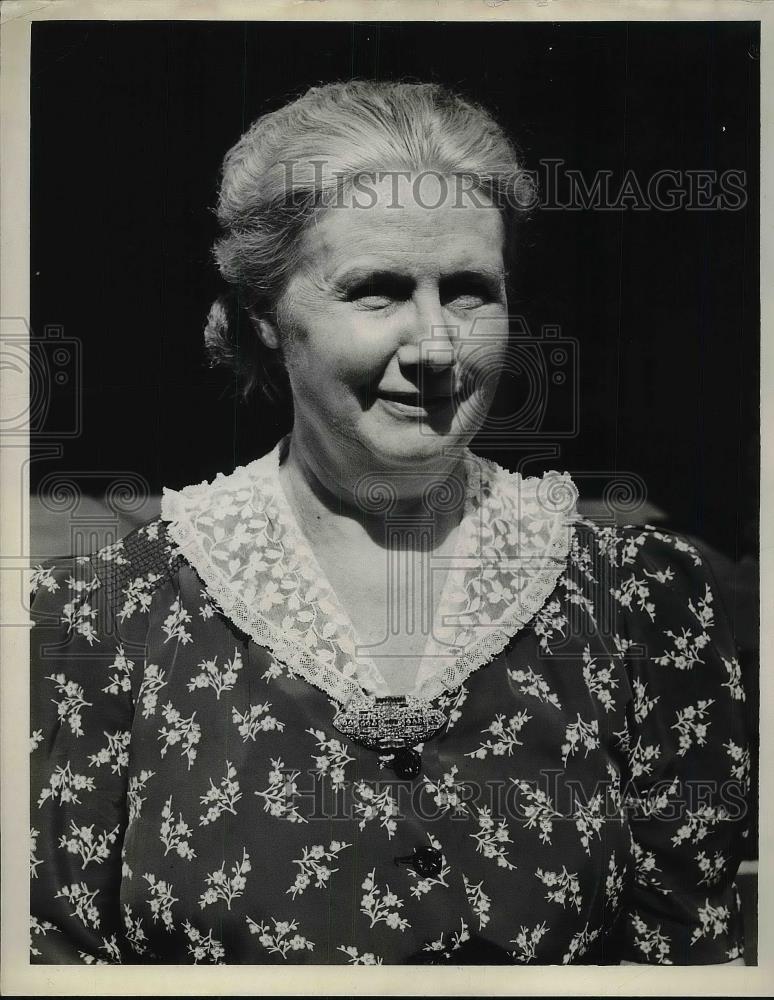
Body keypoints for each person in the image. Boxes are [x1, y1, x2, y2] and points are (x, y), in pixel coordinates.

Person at [29, 80, 749, 965]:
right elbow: (52, 959)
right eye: (376, 291)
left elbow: (683, 961)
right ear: (265, 315)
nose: (437, 345)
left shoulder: (646, 603)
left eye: (469, 291)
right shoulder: (107, 615)